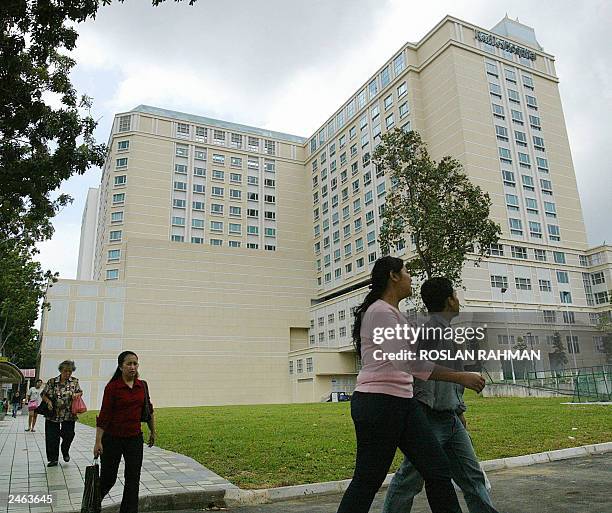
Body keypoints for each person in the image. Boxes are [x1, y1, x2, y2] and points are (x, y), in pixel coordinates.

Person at [336, 256, 486, 513]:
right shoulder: (380, 313)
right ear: (393, 276)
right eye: (407, 272)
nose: (411, 277)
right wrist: (461, 377)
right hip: (379, 404)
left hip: (403, 403)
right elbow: (409, 364)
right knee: (368, 480)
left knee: (438, 470)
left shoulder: (396, 315)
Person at [382, 277, 499, 513]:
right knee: (409, 480)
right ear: (449, 301)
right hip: (428, 418)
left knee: (472, 476)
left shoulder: (446, 332)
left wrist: (459, 409)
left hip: (451, 420)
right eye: (455, 296)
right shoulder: (430, 331)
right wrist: (462, 378)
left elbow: (448, 376)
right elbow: (416, 367)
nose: (458, 301)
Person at [94, 351, 155, 513]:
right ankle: (93, 503)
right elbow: (104, 415)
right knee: (108, 478)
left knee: (133, 479)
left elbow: (148, 410)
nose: (133, 367)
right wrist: (98, 441)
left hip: (134, 439)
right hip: (112, 439)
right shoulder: (113, 387)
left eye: (135, 363)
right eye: (129, 364)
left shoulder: (142, 386)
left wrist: (152, 432)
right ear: (121, 366)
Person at [41, 360, 83, 467]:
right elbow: (44, 394)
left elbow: (80, 391)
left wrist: (77, 394)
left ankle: (65, 450)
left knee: (69, 435)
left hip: (69, 414)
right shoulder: (52, 382)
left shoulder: (74, 381)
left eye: (70, 371)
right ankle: (53, 459)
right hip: (53, 413)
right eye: (65, 371)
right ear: (61, 370)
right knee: (52, 437)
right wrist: (49, 402)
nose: (68, 373)